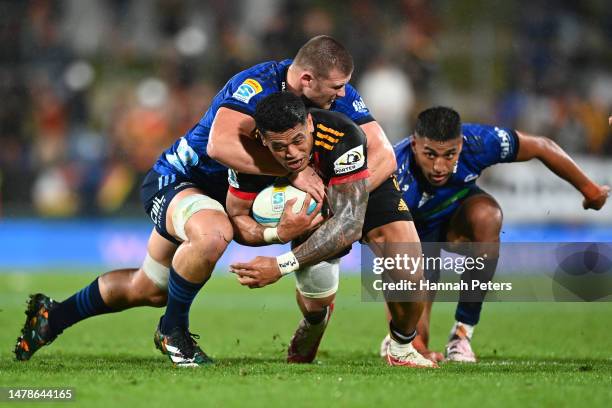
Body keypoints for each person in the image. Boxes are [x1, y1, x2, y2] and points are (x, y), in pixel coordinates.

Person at [13, 35, 399, 367]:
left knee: (149, 287)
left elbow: (383, 154)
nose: (343, 94)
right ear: (306, 79)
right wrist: (293, 172)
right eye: (335, 88)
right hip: (181, 179)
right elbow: (219, 144)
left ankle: (53, 316)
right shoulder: (255, 84)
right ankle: (173, 332)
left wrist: (334, 201)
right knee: (214, 233)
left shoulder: (334, 97)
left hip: (225, 192)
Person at [384, 106, 610, 363]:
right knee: (416, 342)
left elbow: (541, 146)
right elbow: (387, 252)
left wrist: (590, 190)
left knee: (488, 216)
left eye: (450, 155)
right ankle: (401, 331)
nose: (439, 166)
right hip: (414, 236)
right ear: (414, 145)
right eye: (430, 154)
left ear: (460, 144)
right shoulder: (393, 170)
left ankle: (461, 334)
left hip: (458, 219)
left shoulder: (479, 142)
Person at [227, 91, 435, 368]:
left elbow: (349, 223)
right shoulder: (247, 157)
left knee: (408, 267)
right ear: (262, 140)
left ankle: (401, 347)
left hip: (359, 188)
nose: (292, 153)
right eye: (279, 147)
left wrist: (280, 265)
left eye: (298, 140)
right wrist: (277, 234)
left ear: (310, 124)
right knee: (317, 301)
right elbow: (237, 218)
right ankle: (315, 320)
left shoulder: (340, 133)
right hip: (307, 206)